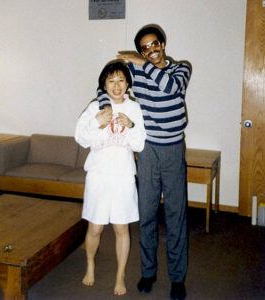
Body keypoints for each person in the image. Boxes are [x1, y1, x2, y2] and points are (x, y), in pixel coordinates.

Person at [97, 24, 192, 300]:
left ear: (163, 43)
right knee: (147, 215)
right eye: (144, 48)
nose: (150, 50)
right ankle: (148, 272)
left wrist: (140, 62)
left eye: (154, 44)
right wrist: (105, 103)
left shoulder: (181, 69)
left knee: (176, 216)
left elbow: (171, 88)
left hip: (173, 149)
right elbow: (110, 84)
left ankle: (177, 278)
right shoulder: (136, 72)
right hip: (148, 150)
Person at [75, 60, 146, 296]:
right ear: (104, 84)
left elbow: (139, 143)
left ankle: (120, 276)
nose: (116, 86)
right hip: (98, 175)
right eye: (111, 81)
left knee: (121, 228)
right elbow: (81, 138)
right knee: (94, 228)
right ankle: (90, 266)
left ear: (127, 84)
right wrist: (97, 121)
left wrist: (131, 124)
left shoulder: (134, 108)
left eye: (121, 80)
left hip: (123, 176)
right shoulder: (95, 106)